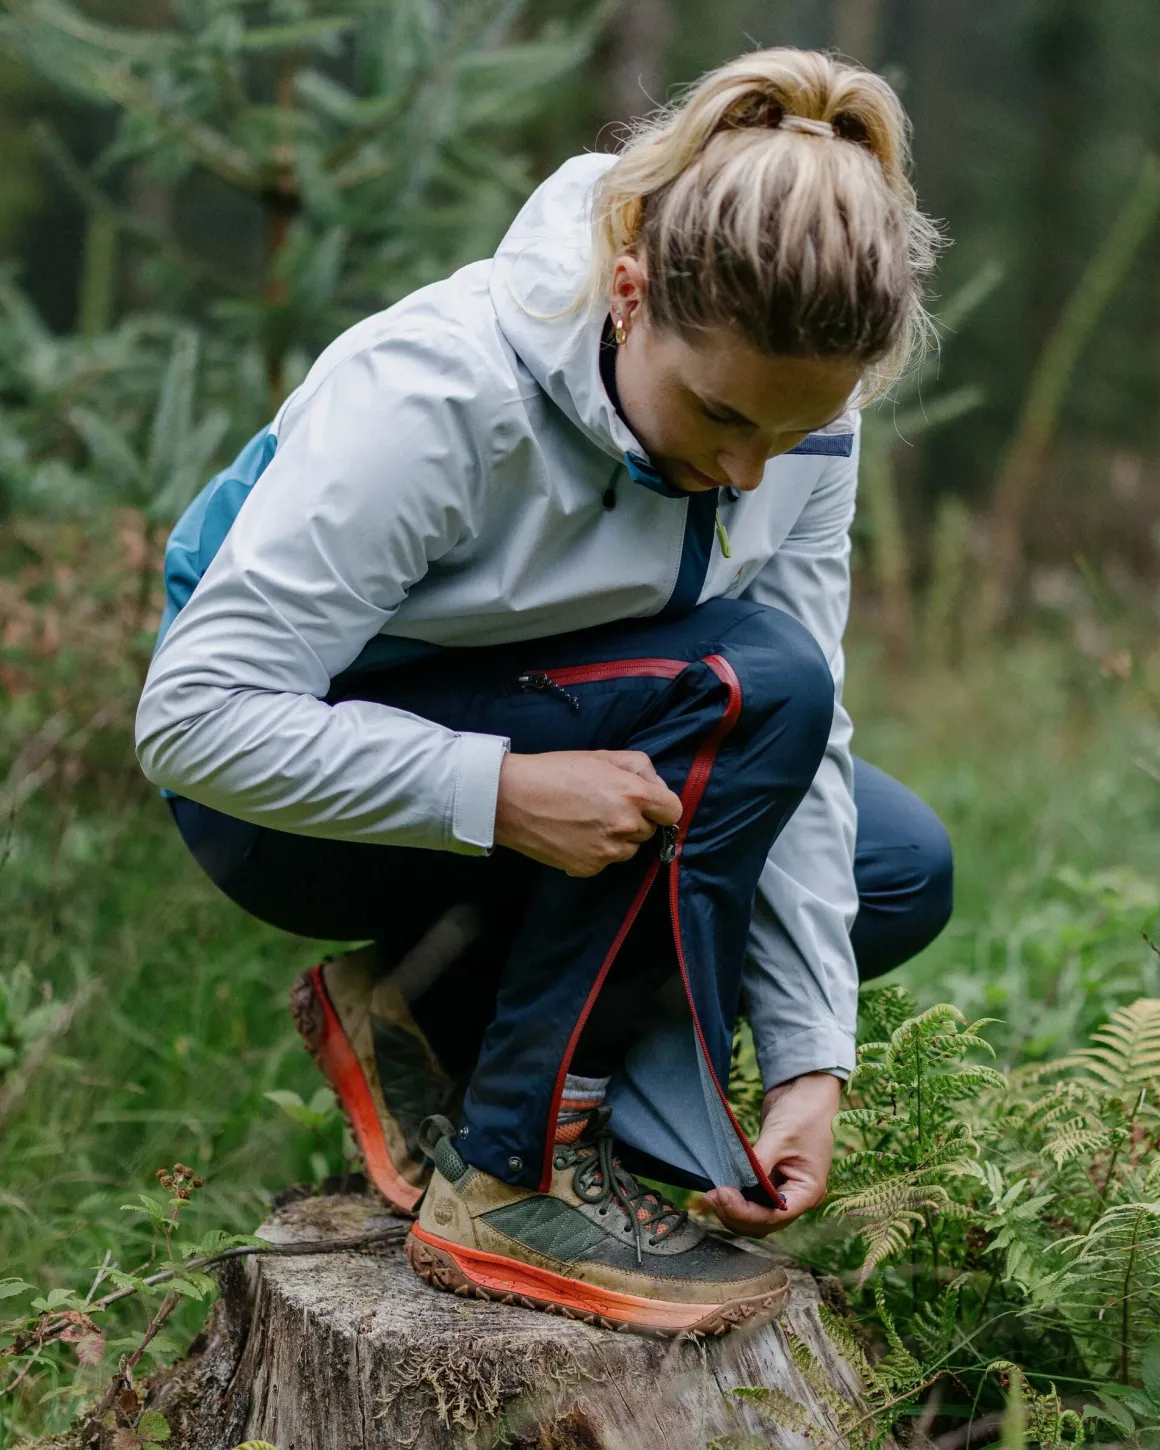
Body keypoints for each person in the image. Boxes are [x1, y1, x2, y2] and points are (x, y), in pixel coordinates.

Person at [135, 46, 953, 1337]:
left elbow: (811, 730)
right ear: (628, 288)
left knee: (896, 870)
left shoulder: (797, 420)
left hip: (585, 723)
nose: (748, 474)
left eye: (789, 437)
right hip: (290, 801)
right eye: (721, 415)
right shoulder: (441, 393)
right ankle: (513, 1169)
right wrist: (500, 790)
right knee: (756, 684)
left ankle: (421, 1012)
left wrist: (808, 1054)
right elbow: (192, 719)